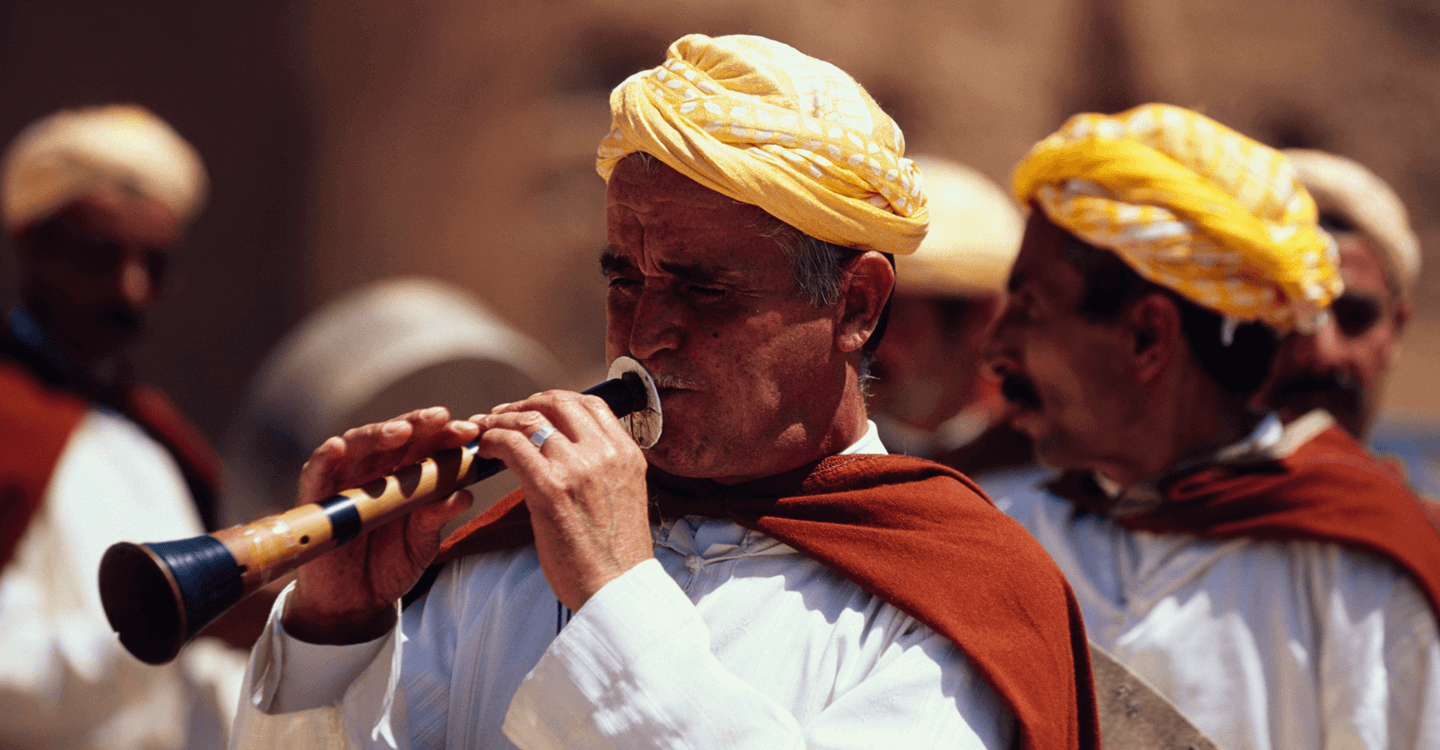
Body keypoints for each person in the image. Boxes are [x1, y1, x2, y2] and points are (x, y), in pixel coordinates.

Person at [231, 34, 1098, 750]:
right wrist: (334, 635)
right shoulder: (500, 568)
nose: (644, 334)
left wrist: (614, 595)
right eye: (624, 281)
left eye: (704, 290)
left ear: (856, 306)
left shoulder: (972, 594)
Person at [985, 103, 1440, 750]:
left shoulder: (1360, 579)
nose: (996, 349)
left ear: (1148, 337)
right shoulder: (1001, 538)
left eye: (1029, 308)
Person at [0, 106, 244, 748]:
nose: (131, 290)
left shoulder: (156, 439)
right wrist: (175, 615)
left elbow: (198, 684)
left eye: (154, 264)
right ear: (32, 245)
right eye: (100, 257)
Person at [1261, 149, 1440, 502]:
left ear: (1397, 327)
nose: (1321, 353)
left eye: (1355, 316)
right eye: (1290, 314)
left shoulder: (1420, 528)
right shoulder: (1162, 520)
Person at [867, 154, 1033, 477]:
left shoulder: (1048, 479)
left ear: (980, 319)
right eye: (855, 308)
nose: (861, 338)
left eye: (889, 315)